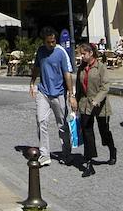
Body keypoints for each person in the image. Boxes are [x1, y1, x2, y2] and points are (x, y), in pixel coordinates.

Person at [29, 28, 74, 167]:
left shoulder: (60, 53)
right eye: (49, 42)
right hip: (43, 92)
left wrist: (71, 93)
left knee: (62, 125)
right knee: (41, 121)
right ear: (44, 41)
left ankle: (66, 153)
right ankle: (44, 154)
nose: (52, 44)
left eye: (53, 41)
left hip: (59, 93)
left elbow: (67, 73)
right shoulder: (41, 51)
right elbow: (37, 67)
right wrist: (32, 83)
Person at [75, 42, 115, 177]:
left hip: (99, 105)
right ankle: (89, 162)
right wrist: (74, 100)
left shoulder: (100, 67)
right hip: (85, 104)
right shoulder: (81, 68)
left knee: (104, 131)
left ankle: (112, 149)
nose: (81, 56)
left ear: (91, 53)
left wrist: (97, 99)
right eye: (80, 54)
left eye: (83, 54)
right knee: (87, 133)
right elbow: (79, 87)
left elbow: (105, 87)